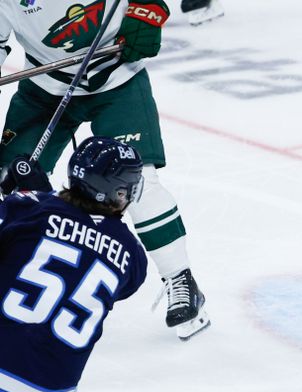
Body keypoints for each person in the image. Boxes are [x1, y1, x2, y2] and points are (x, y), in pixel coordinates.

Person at [0, 0, 210, 340]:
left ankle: (180, 278)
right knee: (13, 179)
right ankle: (19, 278)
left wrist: (147, 10)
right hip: (45, 87)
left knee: (138, 184)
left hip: (118, 76)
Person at [0, 137, 147, 392]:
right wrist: (37, 194)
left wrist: (22, 192)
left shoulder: (26, 211)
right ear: (119, 192)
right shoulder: (132, 258)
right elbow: (81, 247)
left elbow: (43, 227)